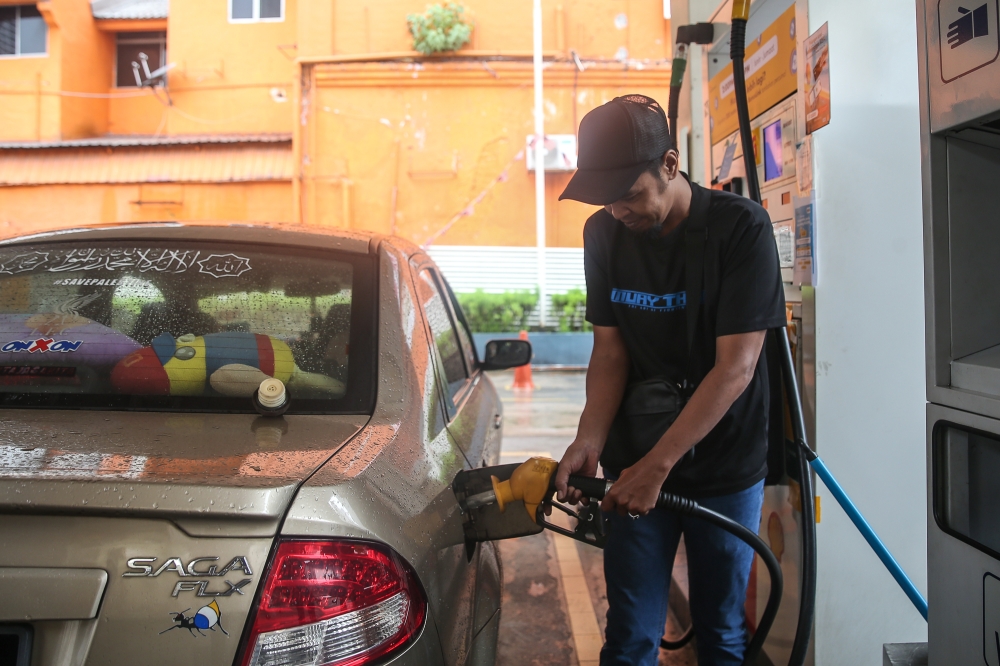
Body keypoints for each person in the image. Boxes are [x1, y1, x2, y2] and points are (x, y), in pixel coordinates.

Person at [553, 94, 786, 666]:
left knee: (722, 633)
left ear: (670, 164)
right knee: (631, 634)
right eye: (605, 199)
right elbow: (610, 352)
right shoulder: (603, 234)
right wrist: (590, 441)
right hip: (633, 461)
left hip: (724, 462)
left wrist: (656, 469)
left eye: (629, 194)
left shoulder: (742, 229)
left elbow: (736, 366)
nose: (618, 211)